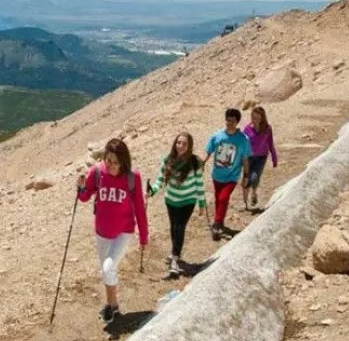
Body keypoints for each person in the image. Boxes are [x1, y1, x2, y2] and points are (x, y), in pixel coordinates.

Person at [77, 137, 149, 323]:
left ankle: (110, 305)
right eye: (108, 160)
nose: (111, 165)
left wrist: (143, 236)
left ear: (123, 161)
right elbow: (85, 197)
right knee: (107, 270)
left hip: (124, 231)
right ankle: (113, 304)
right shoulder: (97, 172)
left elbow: (139, 208)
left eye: (116, 162)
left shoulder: (132, 177)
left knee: (108, 267)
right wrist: (80, 188)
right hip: (102, 231)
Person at [147, 132, 206, 278]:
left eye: (184, 143)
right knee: (173, 228)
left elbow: (199, 183)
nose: (181, 146)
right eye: (178, 142)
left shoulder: (195, 162)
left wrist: (202, 203)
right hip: (171, 201)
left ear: (189, 146)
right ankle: (175, 252)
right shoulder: (168, 160)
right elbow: (160, 179)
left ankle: (175, 259)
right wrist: (152, 190)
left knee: (180, 228)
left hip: (188, 201)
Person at [204, 108, 251, 240]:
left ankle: (217, 223)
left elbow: (245, 159)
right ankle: (219, 220)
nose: (229, 123)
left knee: (223, 198)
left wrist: (246, 176)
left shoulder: (243, 139)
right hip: (217, 175)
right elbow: (208, 151)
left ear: (237, 122)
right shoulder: (217, 136)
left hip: (232, 177)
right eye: (228, 120)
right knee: (218, 199)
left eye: (232, 121)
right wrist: (202, 162)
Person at [241, 106, 278, 210]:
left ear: (262, 118)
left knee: (254, 177)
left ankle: (254, 193)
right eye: (253, 118)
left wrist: (274, 158)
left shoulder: (267, 129)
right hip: (248, 157)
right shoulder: (247, 129)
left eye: (257, 118)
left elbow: (270, 144)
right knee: (246, 179)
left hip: (261, 157)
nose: (255, 120)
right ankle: (245, 205)